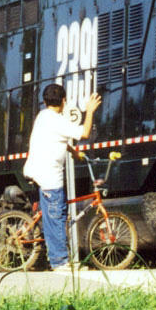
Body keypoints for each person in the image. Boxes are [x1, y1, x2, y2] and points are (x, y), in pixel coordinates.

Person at [23, 83, 102, 271]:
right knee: (56, 217)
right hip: (49, 177)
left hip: (39, 171)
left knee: (55, 217)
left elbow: (54, 137)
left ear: (44, 101)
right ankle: (60, 262)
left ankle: (59, 258)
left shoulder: (43, 117)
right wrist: (89, 111)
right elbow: (84, 133)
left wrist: (72, 151)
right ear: (64, 101)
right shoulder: (57, 120)